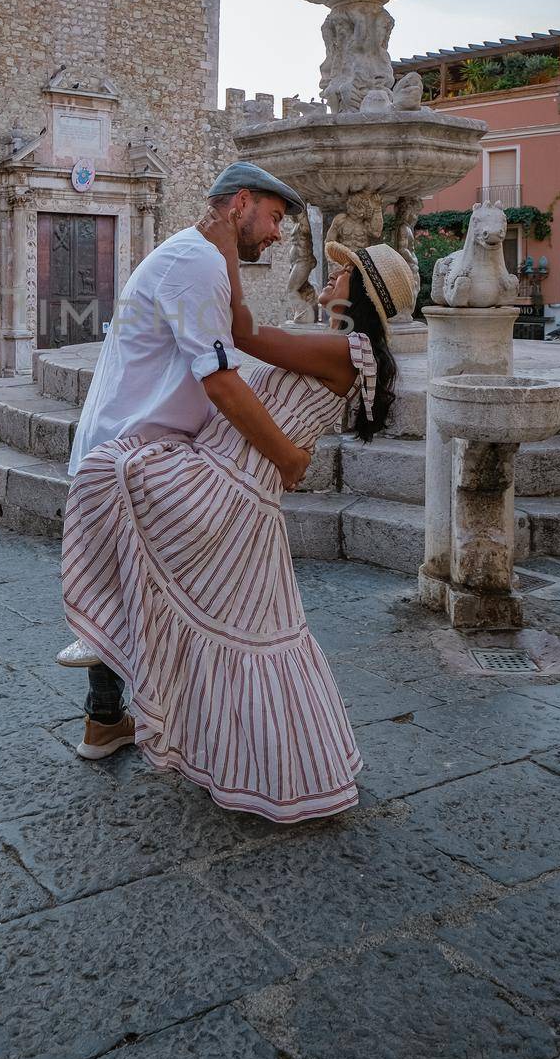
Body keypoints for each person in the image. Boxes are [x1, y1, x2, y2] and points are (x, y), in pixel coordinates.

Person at [60, 213, 416, 823]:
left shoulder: (346, 351)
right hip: (235, 489)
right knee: (241, 632)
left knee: (109, 474)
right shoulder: (337, 346)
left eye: (345, 271)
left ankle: (110, 662)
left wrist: (222, 246)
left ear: (360, 292)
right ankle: (118, 692)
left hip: (227, 487)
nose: (331, 274)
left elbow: (242, 335)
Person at [58, 162, 309, 757]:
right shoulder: (193, 263)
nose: (277, 234)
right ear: (239, 202)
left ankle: (105, 721)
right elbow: (220, 378)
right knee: (166, 584)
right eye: (273, 218)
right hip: (136, 448)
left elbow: (240, 328)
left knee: (126, 581)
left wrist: (229, 256)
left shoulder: (197, 256)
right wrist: (287, 458)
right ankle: (192, 721)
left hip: (123, 439)